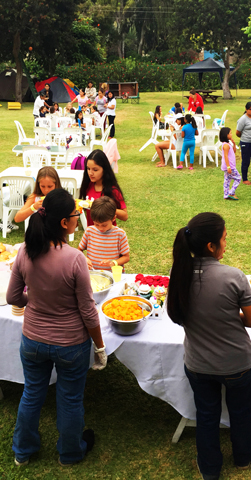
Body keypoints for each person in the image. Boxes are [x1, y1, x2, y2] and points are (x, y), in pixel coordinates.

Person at [6, 188, 107, 467]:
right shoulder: (73, 258)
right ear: (64, 222)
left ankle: (23, 451)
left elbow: (13, 297)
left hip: (33, 341)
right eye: (76, 215)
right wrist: (100, 347)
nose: (78, 218)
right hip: (71, 345)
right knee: (70, 398)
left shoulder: (26, 251)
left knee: (32, 392)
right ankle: (70, 453)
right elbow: (88, 311)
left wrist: (36, 300)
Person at [166, 212, 251, 480]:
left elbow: (178, 314)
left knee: (206, 415)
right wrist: (231, 316)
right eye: (224, 239)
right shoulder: (233, 277)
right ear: (211, 246)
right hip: (238, 364)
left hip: (198, 365)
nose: (226, 244)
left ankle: (209, 468)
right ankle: (243, 458)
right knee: (241, 413)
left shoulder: (179, 274)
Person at [78, 196, 130, 271]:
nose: (100, 228)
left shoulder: (119, 234)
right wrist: (84, 259)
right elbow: (79, 250)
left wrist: (114, 262)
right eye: (96, 224)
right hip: (93, 274)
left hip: (113, 275)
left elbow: (126, 257)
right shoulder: (89, 231)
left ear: (113, 218)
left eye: (104, 225)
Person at [79, 150, 127, 226]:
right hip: (93, 233)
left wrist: (107, 209)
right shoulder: (88, 185)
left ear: (104, 170)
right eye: (88, 169)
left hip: (108, 235)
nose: (90, 173)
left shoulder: (112, 190)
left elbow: (125, 216)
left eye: (95, 170)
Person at [236, 102, 251, 185]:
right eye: (250, 109)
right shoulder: (243, 119)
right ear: (246, 109)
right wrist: (245, 138)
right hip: (246, 142)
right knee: (246, 160)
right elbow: (238, 132)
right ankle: (245, 179)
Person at [220, 127, 241, 201]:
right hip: (230, 166)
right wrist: (228, 167)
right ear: (226, 135)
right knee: (238, 178)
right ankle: (231, 192)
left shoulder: (228, 144)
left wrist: (234, 144)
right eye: (230, 133)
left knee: (227, 180)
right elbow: (225, 156)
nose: (232, 134)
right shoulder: (225, 145)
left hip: (228, 166)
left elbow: (234, 152)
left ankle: (226, 195)